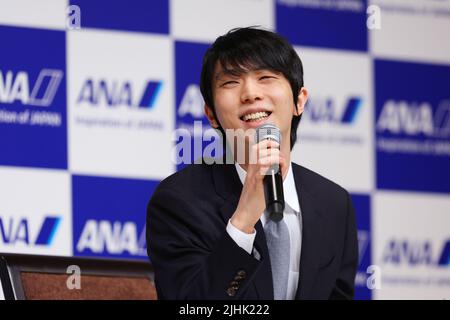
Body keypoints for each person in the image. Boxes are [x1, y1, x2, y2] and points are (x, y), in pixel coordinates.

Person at [146, 27, 358, 300]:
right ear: (211, 114)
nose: (250, 93)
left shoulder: (334, 204)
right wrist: (243, 221)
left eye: (266, 77)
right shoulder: (179, 201)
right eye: (231, 82)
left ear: (299, 100)